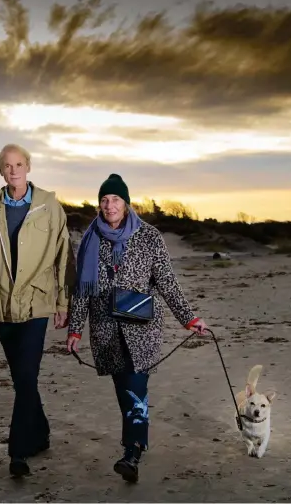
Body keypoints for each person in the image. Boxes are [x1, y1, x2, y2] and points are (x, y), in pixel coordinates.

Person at [66, 173, 208, 483]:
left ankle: (132, 452)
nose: (109, 205)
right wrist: (74, 329)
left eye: (115, 199)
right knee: (125, 391)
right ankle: (137, 438)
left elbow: (166, 282)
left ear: (127, 203)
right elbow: (81, 290)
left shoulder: (149, 236)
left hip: (141, 328)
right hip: (105, 328)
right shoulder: (90, 238)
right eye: (104, 200)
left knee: (136, 386)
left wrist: (188, 318)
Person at [0, 143, 76, 477]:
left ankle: (18, 451)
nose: (13, 171)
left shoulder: (49, 207)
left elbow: (63, 257)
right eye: (7, 166)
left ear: (28, 167)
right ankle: (40, 433)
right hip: (1, 307)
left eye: (19, 164)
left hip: (37, 305)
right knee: (22, 379)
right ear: (1, 171)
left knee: (26, 376)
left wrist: (62, 303)